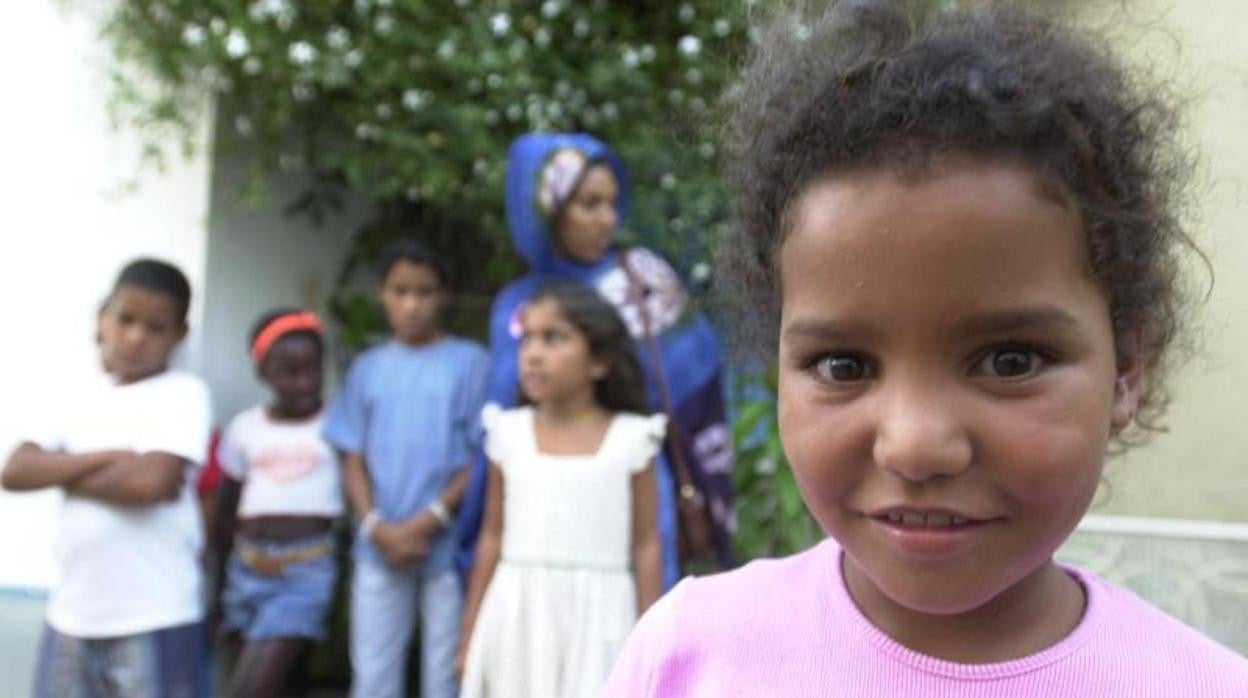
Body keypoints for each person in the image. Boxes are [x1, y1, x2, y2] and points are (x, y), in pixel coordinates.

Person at [604, 2, 1248, 696]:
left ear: (1126, 369)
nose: (914, 446)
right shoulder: (689, 657)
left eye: (1011, 360)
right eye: (843, 366)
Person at [461, 133, 734, 588]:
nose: (607, 220)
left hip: (627, 494)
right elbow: (500, 420)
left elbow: (697, 382)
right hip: (534, 506)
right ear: (548, 210)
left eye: (612, 203)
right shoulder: (515, 303)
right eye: (588, 204)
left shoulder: (643, 282)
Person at [3, 258, 212, 697]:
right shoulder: (71, 394)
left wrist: (59, 467)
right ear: (104, 317)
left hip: (156, 613)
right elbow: (16, 470)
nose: (136, 337)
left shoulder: (183, 395)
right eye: (126, 319)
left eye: (156, 327)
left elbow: (150, 485)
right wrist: (113, 457)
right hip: (70, 617)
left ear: (179, 334)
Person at [458, 281, 665, 697]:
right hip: (518, 616)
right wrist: (469, 635)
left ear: (599, 362)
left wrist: (650, 639)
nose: (532, 353)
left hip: (602, 620)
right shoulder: (508, 433)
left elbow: (646, 545)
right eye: (527, 338)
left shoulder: (632, 439)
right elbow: (492, 536)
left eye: (553, 338)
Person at [325, 238, 488, 698]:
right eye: (400, 291)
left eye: (424, 291)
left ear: (444, 295)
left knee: (446, 673)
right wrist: (377, 525)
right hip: (379, 544)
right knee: (374, 672)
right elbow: (351, 454)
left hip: (446, 545)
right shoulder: (368, 367)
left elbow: (483, 455)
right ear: (382, 293)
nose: (412, 304)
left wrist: (429, 520)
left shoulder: (470, 363)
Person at [213, 309, 341, 696]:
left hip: (305, 571)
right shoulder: (245, 428)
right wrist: (219, 590)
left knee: (250, 689)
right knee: (282, 685)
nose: (304, 382)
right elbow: (226, 510)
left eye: (313, 369)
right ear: (263, 372)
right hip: (245, 570)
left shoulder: (337, 424)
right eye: (289, 371)